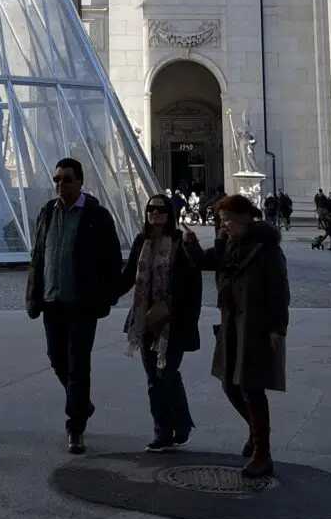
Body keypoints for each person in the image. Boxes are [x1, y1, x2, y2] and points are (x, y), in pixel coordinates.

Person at [25, 157, 123, 454]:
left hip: (82, 302)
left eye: (67, 179)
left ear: (80, 181)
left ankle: (75, 426)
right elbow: (38, 254)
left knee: (78, 364)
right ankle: (81, 403)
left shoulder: (97, 215)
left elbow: (112, 259)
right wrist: (33, 293)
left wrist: (107, 294)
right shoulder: (47, 212)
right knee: (57, 359)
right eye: (57, 179)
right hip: (52, 300)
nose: (60, 184)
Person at [188, 194, 289, 480]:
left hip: (256, 326)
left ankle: (263, 454)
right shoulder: (229, 244)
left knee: (251, 387)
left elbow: (279, 290)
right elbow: (205, 262)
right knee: (229, 384)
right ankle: (256, 434)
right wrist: (191, 243)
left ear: (243, 220)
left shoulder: (266, 249)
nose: (223, 226)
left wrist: (277, 328)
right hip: (232, 323)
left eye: (227, 221)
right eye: (221, 221)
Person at [118, 194, 203, 451]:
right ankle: (162, 432)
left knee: (167, 373)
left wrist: (187, 318)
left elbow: (193, 284)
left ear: (170, 214)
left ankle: (182, 425)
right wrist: (105, 294)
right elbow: (128, 276)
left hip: (173, 320)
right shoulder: (141, 241)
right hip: (145, 319)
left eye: (160, 209)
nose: (155, 213)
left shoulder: (180, 242)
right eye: (150, 209)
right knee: (154, 379)